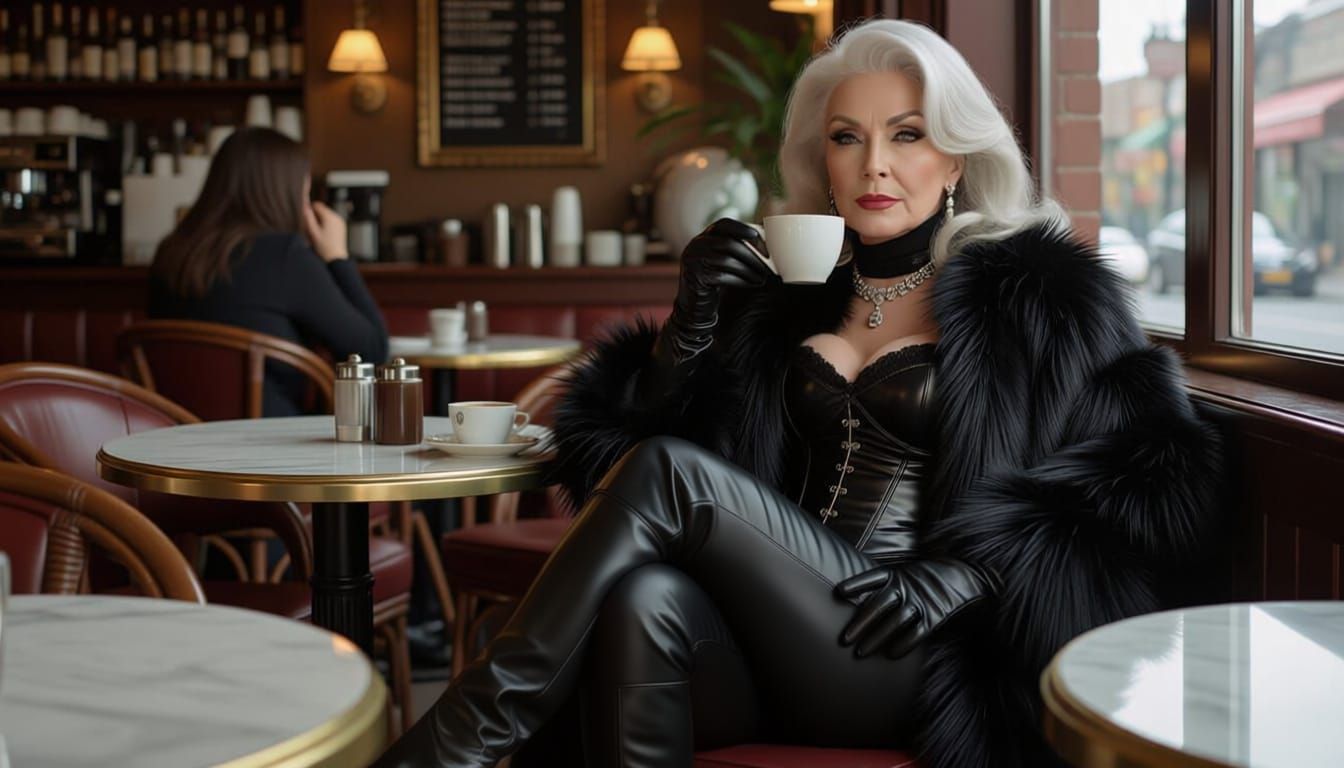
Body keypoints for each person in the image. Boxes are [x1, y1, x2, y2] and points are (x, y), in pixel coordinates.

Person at [375, 19, 1220, 768]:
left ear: (956, 156)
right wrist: (691, 325)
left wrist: (971, 573)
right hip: (775, 640)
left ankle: (454, 746)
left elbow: (1154, 480)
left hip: (919, 652)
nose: (874, 164)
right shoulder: (786, 297)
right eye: (847, 137)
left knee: (671, 475)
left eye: (907, 135)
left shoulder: (1045, 297)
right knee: (644, 598)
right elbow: (622, 455)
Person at [149, 127, 388, 416]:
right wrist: (337, 256)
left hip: (174, 443)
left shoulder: (170, 252)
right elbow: (371, 351)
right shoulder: (285, 256)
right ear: (288, 192)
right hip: (270, 447)